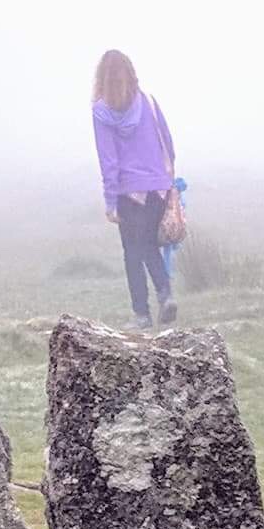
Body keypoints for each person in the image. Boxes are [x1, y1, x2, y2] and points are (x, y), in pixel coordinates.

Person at [91, 50, 177, 334]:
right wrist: (167, 178)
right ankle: (165, 293)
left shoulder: (101, 111)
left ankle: (141, 314)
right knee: (150, 244)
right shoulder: (149, 102)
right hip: (157, 186)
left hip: (129, 192)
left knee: (132, 252)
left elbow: (109, 159)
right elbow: (168, 141)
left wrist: (110, 201)